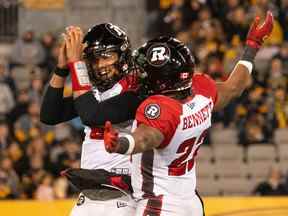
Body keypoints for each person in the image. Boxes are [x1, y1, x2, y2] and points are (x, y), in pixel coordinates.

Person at [103, 12, 274, 215]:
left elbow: (146, 138)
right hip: (190, 201)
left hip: (161, 205)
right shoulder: (201, 90)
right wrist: (253, 45)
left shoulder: (161, 108)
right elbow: (235, 86)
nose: (140, 75)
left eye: (144, 71)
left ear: (160, 80)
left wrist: (121, 143)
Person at [40, 23, 140, 216]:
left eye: (106, 56)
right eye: (94, 59)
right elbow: (49, 115)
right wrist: (61, 68)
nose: (100, 65)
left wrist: (76, 63)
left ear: (123, 56)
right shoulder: (93, 93)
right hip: (90, 194)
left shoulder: (137, 91)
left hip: (123, 195)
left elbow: (92, 115)